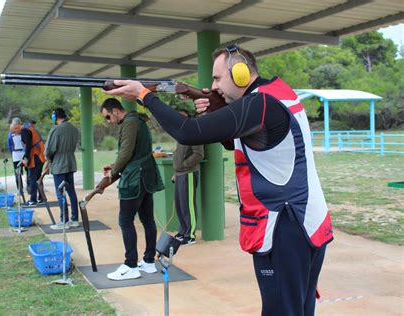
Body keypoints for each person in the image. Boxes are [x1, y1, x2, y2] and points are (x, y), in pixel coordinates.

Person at [104, 45, 334, 315]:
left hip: (285, 225)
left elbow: (187, 132)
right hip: (306, 221)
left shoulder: (259, 104)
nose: (212, 86)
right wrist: (216, 113)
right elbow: (250, 141)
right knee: (299, 308)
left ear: (240, 74)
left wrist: (144, 95)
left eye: (216, 78)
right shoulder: (276, 94)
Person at [100, 98, 164, 281]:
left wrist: (113, 171)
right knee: (147, 220)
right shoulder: (138, 121)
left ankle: (130, 265)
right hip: (145, 176)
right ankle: (149, 261)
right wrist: (114, 166)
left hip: (135, 178)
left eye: (107, 117)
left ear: (114, 111)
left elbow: (126, 152)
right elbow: (133, 153)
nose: (108, 121)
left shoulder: (129, 123)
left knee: (125, 221)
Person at [171, 109, 204, 245]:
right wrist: (177, 171)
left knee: (188, 204)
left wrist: (184, 165)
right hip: (179, 174)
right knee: (180, 204)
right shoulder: (181, 133)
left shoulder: (193, 131)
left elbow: (199, 154)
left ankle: (190, 235)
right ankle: (183, 231)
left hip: (189, 173)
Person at [44, 108, 80, 230]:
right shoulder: (73, 129)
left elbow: (49, 149)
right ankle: (74, 219)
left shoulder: (56, 129)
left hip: (59, 164)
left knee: (60, 192)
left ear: (56, 116)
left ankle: (64, 221)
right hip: (70, 162)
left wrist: (48, 160)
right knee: (71, 191)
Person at [10, 117, 46, 207]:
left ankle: (33, 200)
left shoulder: (25, 131)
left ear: (19, 125)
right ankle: (41, 198)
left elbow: (29, 145)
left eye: (16, 129)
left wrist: (26, 158)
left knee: (32, 177)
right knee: (38, 178)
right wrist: (25, 157)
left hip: (36, 156)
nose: (15, 132)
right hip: (39, 155)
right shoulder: (28, 128)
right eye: (13, 130)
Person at [7, 123, 26, 196]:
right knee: (17, 172)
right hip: (15, 154)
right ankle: (20, 189)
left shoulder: (23, 132)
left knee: (28, 170)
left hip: (23, 152)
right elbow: (9, 145)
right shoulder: (10, 135)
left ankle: (29, 186)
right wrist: (13, 151)